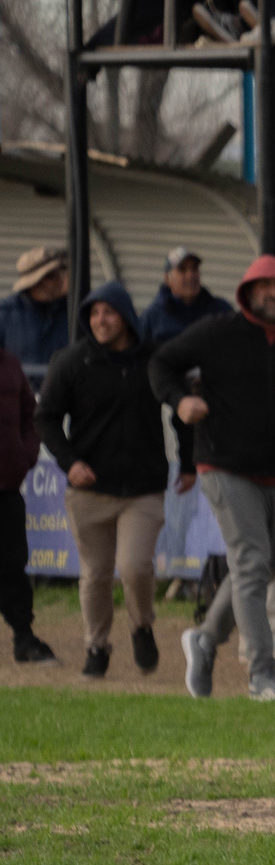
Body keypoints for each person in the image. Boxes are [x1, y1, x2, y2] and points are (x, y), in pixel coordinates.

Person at [151, 255, 275, 701]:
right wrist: (180, 400)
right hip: (224, 465)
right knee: (252, 562)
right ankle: (261, 672)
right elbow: (161, 364)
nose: (274, 296)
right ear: (247, 292)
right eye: (264, 288)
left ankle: (204, 640)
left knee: (255, 568)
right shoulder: (216, 331)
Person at [36, 281, 191, 679]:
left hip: (143, 487)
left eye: (108, 312)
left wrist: (188, 462)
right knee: (95, 574)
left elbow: (179, 405)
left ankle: (141, 625)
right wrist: (69, 462)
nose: (100, 320)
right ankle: (97, 646)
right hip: (88, 489)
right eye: (93, 313)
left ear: (126, 316)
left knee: (135, 567)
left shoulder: (153, 359)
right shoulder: (71, 362)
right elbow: (46, 418)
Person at [0, 338, 54, 665]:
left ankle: (24, 636)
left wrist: (26, 455)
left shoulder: (10, 364)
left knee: (12, 564)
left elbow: (29, 414)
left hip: (7, 486)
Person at [140, 248, 235, 345]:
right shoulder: (152, 318)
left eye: (194, 268)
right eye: (182, 269)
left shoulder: (221, 311)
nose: (190, 276)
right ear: (167, 278)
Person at [0, 248, 71, 369]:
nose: (59, 279)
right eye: (51, 276)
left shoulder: (71, 310)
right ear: (36, 282)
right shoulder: (6, 313)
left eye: (60, 273)